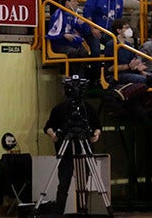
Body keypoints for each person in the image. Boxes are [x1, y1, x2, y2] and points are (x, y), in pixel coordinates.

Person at [43, 77, 102, 214]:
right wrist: (53, 135)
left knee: (83, 185)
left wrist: (96, 134)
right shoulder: (59, 109)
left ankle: (83, 209)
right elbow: (48, 127)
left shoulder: (87, 109)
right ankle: (59, 211)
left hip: (83, 151)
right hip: (66, 153)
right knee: (63, 184)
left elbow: (97, 126)